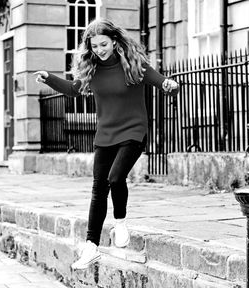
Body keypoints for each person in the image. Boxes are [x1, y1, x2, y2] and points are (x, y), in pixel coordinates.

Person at [34, 19, 179, 270]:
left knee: (115, 178)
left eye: (104, 44)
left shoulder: (135, 65)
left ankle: (120, 222)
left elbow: (163, 83)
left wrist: (171, 86)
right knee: (98, 188)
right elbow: (73, 89)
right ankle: (91, 246)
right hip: (105, 134)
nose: (100, 50)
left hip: (134, 131)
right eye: (95, 46)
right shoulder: (92, 70)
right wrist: (49, 78)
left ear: (114, 41)